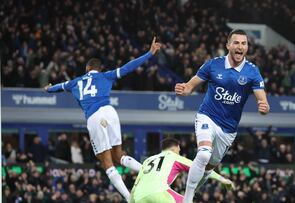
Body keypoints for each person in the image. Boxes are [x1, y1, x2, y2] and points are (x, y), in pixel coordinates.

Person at [44, 37, 161, 201]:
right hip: (110, 111)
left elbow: (59, 87)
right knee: (119, 155)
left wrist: (48, 89)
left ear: (87, 68)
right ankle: (148, 172)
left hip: (94, 116)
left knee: (107, 163)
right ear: (98, 69)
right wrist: (149, 53)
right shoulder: (106, 76)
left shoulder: (75, 82)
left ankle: (129, 198)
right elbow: (128, 67)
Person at [175, 29, 270, 203]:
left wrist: (264, 107)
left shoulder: (252, 72)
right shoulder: (213, 65)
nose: (240, 46)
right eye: (236, 43)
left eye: (244, 43)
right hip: (207, 117)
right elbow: (190, 86)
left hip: (228, 129)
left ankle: (191, 191)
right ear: (228, 45)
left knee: (209, 166)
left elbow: (262, 101)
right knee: (203, 154)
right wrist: (184, 89)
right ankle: (186, 200)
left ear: (247, 47)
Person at [129, 138, 234, 203]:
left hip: (139, 197)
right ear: (175, 148)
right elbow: (199, 168)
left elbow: (136, 185)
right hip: (159, 192)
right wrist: (221, 179)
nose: (179, 153)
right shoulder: (174, 156)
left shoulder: (148, 160)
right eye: (179, 150)